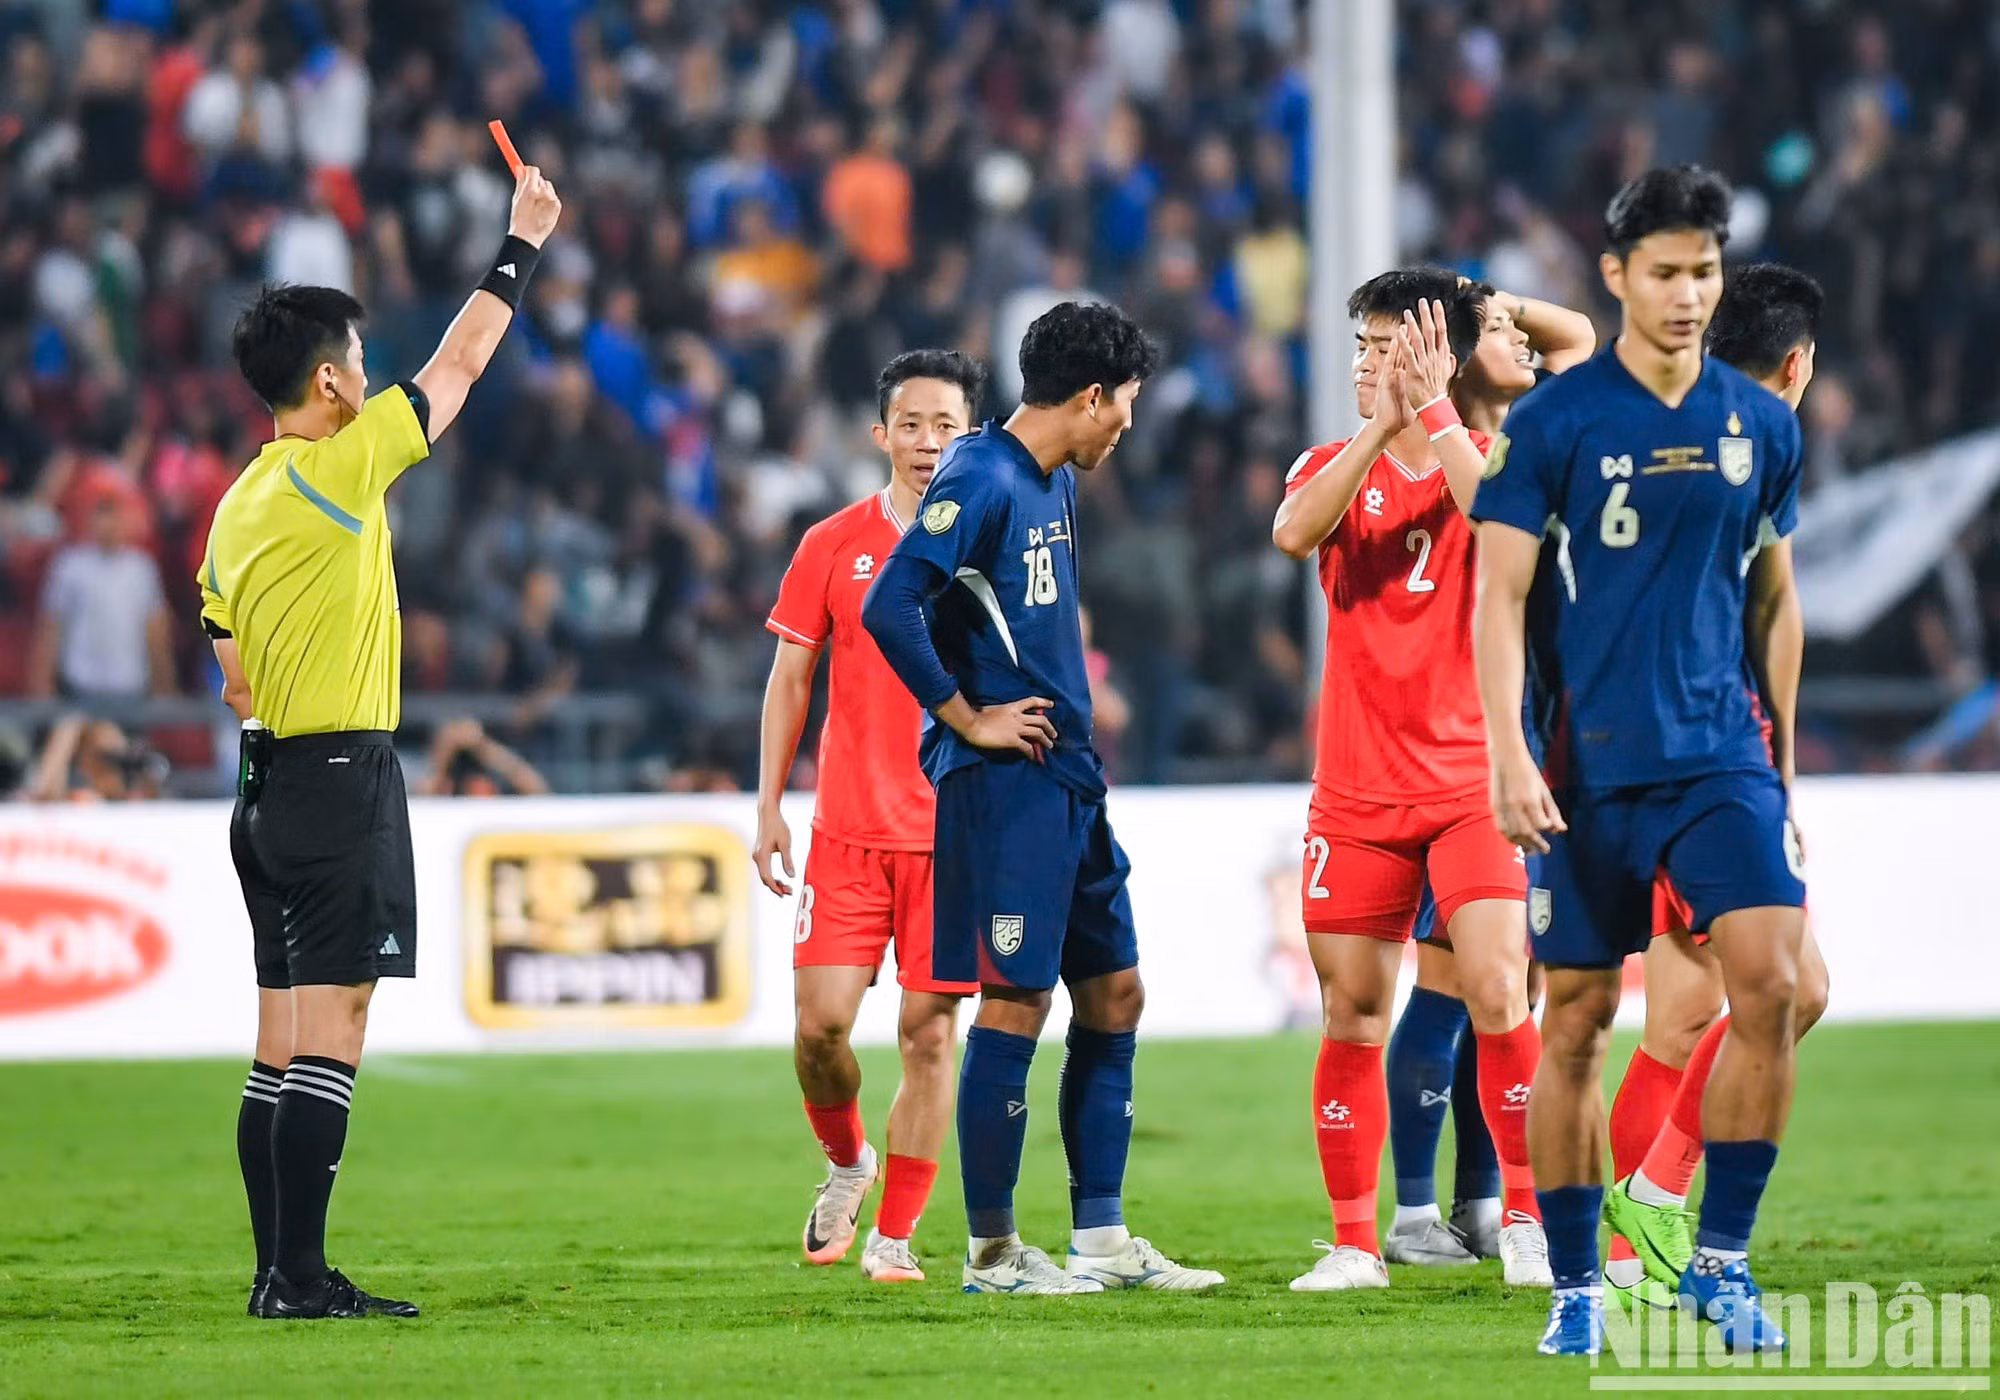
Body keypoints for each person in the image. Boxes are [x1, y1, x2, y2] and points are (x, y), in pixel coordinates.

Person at [200, 163, 563, 1320]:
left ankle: (275, 1271)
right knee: (335, 1031)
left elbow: (230, 668)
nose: (370, 376)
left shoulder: (238, 504)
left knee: (275, 1043)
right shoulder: (338, 468)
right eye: (358, 361)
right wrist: (521, 244)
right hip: (338, 775)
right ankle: (301, 1279)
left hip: (260, 785)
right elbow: (456, 368)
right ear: (328, 383)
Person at [1470, 166, 1807, 1356]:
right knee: (1571, 1023)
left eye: (1701, 272)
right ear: (1613, 277)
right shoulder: (1556, 424)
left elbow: (1771, 592)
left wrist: (1782, 769)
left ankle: (1719, 1257)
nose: (1684, 294)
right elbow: (1497, 594)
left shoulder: (1759, 425)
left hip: (1719, 757)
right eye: (1662, 272)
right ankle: (1574, 1281)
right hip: (1586, 766)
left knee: (1770, 985)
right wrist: (1507, 749)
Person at [862, 301, 1223, 1295]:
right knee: (1015, 997)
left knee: (1115, 992)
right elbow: (888, 603)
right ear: (1093, 395)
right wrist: (965, 714)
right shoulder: (977, 477)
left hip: (1068, 776)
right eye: (1126, 408)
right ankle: (991, 1253)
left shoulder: (1049, 478)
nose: (1127, 428)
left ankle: (1100, 1239)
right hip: (1005, 781)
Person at [1272, 269, 1549, 1292]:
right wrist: (1377, 430)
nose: (1364, 363)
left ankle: (1524, 1217)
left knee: (1493, 986)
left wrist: (1430, 410)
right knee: (1350, 1009)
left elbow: (1495, 516)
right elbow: (1293, 531)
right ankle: (1355, 1241)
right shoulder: (1327, 466)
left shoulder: (1493, 459)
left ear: (1438, 353)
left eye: (1387, 344)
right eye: (1358, 346)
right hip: (1353, 793)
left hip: (1469, 783)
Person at [1601, 262, 1834, 1311]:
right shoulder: (1743, 452)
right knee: (1792, 989)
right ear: (1795, 364)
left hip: (1648, 755)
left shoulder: (1659, 431)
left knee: (1680, 1016)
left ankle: (1618, 1256)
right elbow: (1757, 619)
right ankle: (1652, 1196)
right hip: (1700, 762)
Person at [753, 349, 986, 1284]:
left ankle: (894, 1235)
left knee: (931, 1036)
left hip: (955, 837)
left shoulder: (992, 544)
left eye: (949, 427)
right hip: (848, 836)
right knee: (820, 1029)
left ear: (973, 435)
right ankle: (849, 1161)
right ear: (880, 434)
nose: (931, 443)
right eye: (914, 425)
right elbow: (791, 679)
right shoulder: (832, 544)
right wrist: (768, 806)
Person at [1382, 282, 1595, 1269]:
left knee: (1498, 987)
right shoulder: (1474, 449)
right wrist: (1446, 368)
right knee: (1481, 983)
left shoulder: (1548, 418)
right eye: (1500, 336)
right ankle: (1472, 1207)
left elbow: (1579, 333)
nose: (1524, 339)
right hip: (1490, 750)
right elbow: (1487, 499)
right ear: (1464, 366)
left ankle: (1476, 1199)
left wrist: (1481, 298)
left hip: (1562, 730)